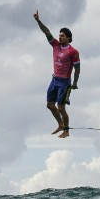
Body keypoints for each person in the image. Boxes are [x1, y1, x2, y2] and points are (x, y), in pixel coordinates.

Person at [33, 10, 80, 138]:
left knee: (61, 108)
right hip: (54, 80)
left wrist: (75, 83)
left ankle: (66, 130)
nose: (60, 37)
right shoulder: (55, 45)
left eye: (63, 36)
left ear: (69, 38)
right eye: (59, 35)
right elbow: (47, 32)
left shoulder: (73, 52)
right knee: (49, 105)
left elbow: (77, 69)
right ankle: (60, 124)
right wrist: (38, 21)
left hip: (65, 83)